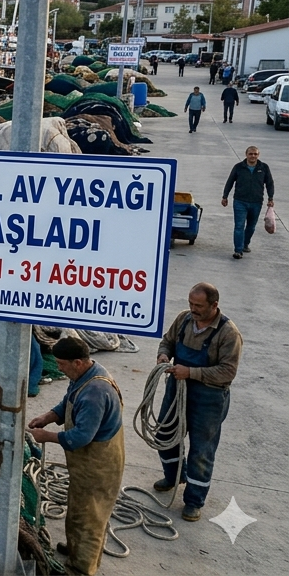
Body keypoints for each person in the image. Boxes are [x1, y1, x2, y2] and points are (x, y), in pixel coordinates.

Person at [28, 337, 124, 576]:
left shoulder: (95, 392)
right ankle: (75, 549)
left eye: (61, 364)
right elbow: (68, 401)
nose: (58, 368)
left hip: (99, 463)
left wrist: (46, 436)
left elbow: (81, 437)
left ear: (78, 362)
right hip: (89, 462)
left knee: (89, 517)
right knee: (78, 508)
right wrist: (49, 416)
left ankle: (81, 568)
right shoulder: (86, 374)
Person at [155, 283, 242, 522]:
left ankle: (194, 501)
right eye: (191, 303)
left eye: (199, 306)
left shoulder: (228, 333)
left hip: (209, 398)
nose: (193, 309)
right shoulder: (184, 319)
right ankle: (173, 477)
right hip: (177, 388)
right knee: (165, 435)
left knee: (201, 450)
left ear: (214, 305)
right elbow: (167, 341)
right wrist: (163, 354)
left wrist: (191, 372)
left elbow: (227, 371)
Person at [221, 146, 273, 258]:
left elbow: (269, 183)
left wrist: (270, 198)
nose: (253, 156)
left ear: (258, 155)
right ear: (246, 155)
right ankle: (238, 250)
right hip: (240, 201)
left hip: (256, 202)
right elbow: (230, 182)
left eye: (255, 154)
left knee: (251, 227)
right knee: (239, 226)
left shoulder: (264, 168)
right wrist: (225, 196)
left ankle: (245, 244)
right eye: (250, 154)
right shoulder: (238, 167)